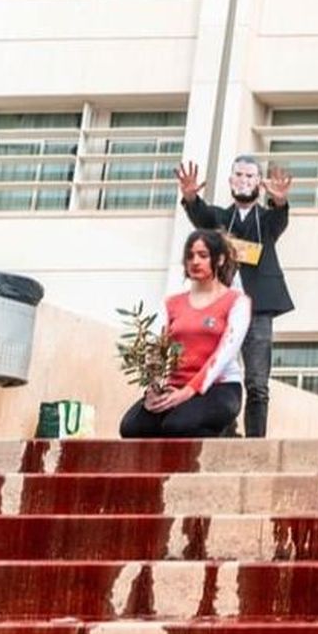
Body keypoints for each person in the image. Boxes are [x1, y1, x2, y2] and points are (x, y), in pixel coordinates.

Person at [175, 157, 292, 438]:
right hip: (221, 311)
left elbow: (279, 220)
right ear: (230, 181)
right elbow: (200, 216)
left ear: (259, 183)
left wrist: (279, 203)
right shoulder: (219, 218)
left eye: (250, 176)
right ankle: (226, 433)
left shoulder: (265, 220)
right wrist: (190, 197)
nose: (244, 180)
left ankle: (255, 443)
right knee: (216, 374)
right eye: (238, 174)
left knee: (257, 383)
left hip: (258, 309)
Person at [121, 231, 251, 438]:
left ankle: (227, 433)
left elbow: (224, 354)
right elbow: (157, 348)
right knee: (133, 428)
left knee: (178, 426)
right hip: (175, 386)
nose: (195, 261)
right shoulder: (172, 303)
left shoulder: (237, 301)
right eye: (190, 256)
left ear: (219, 259)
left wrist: (189, 391)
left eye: (202, 255)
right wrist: (154, 388)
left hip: (219, 388)